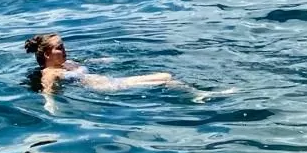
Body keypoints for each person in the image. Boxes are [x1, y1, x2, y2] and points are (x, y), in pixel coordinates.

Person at [23, 33, 228, 113]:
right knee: (165, 78)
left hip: (115, 80)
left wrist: (101, 60)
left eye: (64, 45)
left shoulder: (68, 64)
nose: (65, 49)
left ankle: (197, 94)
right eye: (60, 47)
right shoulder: (50, 72)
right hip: (110, 88)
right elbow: (48, 90)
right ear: (48, 54)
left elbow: (84, 63)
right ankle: (198, 96)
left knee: (166, 75)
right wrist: (51, 106)